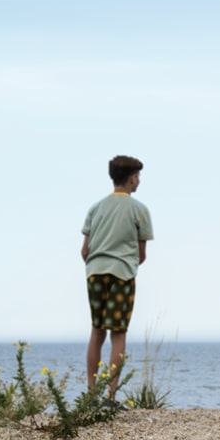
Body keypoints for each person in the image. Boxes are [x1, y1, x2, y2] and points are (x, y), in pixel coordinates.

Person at [80, 155, 154, 384]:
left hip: (95, 272)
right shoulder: (140, 210)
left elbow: (85, 250)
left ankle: (91, 391)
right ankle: (111, 393)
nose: (139, 181)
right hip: (122, 273)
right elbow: (141, 255)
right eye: (138, 177)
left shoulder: (96, 208)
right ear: (132, 179)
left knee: (97, 331)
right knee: (118, 332)